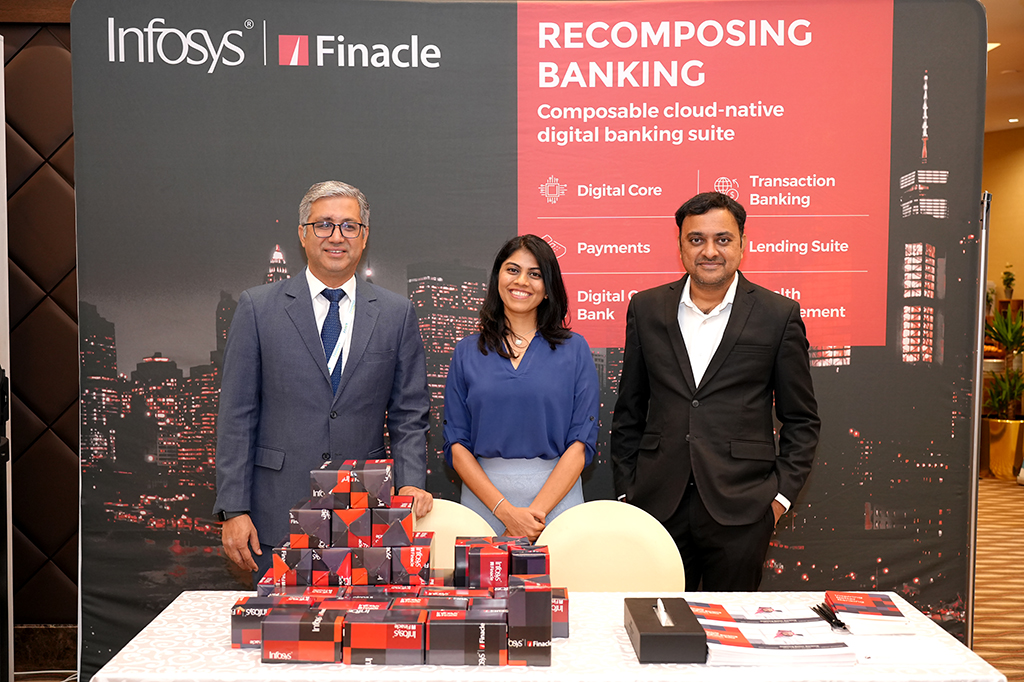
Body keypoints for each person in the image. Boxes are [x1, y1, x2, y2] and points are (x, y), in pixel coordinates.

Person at [214, 180, 432, 584]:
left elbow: (409, 414)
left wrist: (410, 485)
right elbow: (236, 417)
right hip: (275, 511)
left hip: (367, 512)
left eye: (350, 226)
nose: (337, 236)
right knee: (282, 624)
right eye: (324, 225)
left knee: (362, 621)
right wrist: (233, 509)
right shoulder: (257, 309)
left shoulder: (396, 313)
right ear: (302, 233)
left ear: (364, 237)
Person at [611, 191, 819, 591]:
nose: (709, 251)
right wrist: (626, 493)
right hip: (657, 506)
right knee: (660, 622)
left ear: (742, 244)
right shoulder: (646, 308)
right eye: (696, 240)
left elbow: (801, 419)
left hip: (743, 509)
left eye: (722, 239)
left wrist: (778, 501)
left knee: (733, 625)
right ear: (680, 246)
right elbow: (629, 410)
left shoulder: (778, 315)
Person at [443, 235, 599, 541]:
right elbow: (456, 442)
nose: (522, 281)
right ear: (497, 278)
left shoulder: (575, 350)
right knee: (485, 576)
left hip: (556, 505)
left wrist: (532, 517)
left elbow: (581, 442)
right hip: (485, 504)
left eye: (535, 274)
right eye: (512, 270)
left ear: (548, 288)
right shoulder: (466, 352)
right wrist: (506, 512)